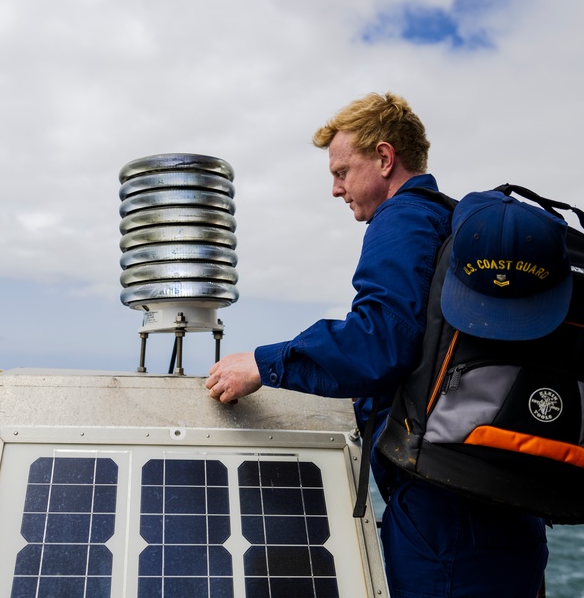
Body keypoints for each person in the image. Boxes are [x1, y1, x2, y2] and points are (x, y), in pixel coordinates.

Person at [205, 92, 548, 597]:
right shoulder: (453, 223)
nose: (336, 189)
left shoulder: (405, 217)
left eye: (342, 171)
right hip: (503, 497)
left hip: (446, 516)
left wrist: (262, 362)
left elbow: (381, 339)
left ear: (385, 159)